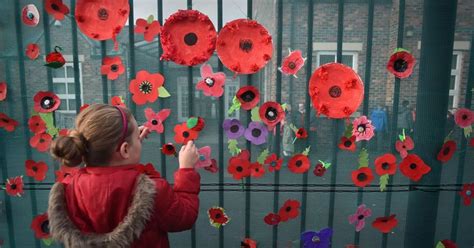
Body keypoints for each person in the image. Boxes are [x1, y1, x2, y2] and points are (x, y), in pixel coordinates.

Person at [48, 104, 200, 248]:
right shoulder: (152, 191)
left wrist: (132, 142)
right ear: (125, 150)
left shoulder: (68, 188)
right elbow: (184, 217)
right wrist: (186, 170)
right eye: (136, 138)